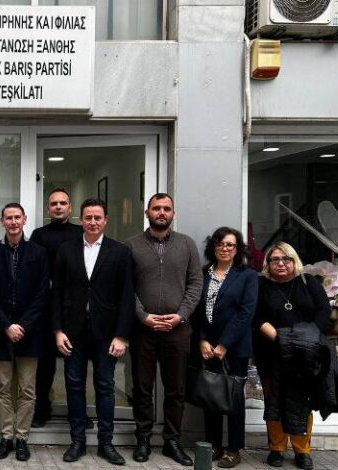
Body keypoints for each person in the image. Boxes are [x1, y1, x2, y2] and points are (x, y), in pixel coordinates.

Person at [52, 198, 134, 465]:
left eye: (98, 217)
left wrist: (121, 335)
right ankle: (77, 442)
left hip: (106, 333)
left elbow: (126, 296)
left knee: (105, 386)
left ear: (106, 220)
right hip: (72, 331)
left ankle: (105, 443)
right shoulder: (66, 250)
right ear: (81, 219)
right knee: (74, 386)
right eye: (88, 217)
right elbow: (56, 293)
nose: (93, 222)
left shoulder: (119, 252)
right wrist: (57, 330)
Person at [125, 193, 202, 466]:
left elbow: (195, 283)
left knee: (176, 388)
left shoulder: (187, 244)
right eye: (156, 208)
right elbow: (126, 287)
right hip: (142, 330)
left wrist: (180, 316)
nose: (161, 212)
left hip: (177, 330)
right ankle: (143, 438)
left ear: (173, 213)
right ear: (147, 212)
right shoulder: (131, 245)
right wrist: (143, 316)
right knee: (142, 388)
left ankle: (172, 441)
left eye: (166, 208)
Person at [253, 242, 331, 470]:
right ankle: (276, 449)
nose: (281, 263)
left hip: (305, 353)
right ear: (268, 263)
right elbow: (256, 316)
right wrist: (280, 339)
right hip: (271, 350)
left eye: (286, 258)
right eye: (275, 259)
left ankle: (302, 451)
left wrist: (308, 337)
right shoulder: (261, 285)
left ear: (294, 260)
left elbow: (323, 311)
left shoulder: (308, 282)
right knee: (274, 399)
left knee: (302, 401)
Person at [0, 203, 49, 461]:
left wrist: (23, 325)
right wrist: (6, 325)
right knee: (2, 387)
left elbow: (42, 293)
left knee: (27, 390)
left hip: (30, 332)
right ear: (2, 222)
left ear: (25, 219)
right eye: (8, 218)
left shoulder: (39, 253)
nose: (13, 222)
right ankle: (6, 436)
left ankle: (22, 438)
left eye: (17, 217)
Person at [193, 227, 258, 468]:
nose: (224, 248)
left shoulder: (247, 275)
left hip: (234, 348)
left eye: (230, 244)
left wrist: (224, 344)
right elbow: (196, 310)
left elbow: (246, 312)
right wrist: (202, 339)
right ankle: (213, 445)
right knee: (211, 397)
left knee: (233, 399)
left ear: (237, 249)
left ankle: (234, 449)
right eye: (220, 243)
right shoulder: (203, 273)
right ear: (213, 247)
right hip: (206, 347)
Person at [30, 188, 83, 429]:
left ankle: (77, 413)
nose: (58, 206)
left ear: (70, 208)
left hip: (75, 308)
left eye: (63, 203)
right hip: (45, 308)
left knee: (76, 365)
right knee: (45, 365)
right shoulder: (39, 235)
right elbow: (35, 270)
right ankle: (42, 410)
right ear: (48, 208)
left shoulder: (81, 233)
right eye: (54, 203)